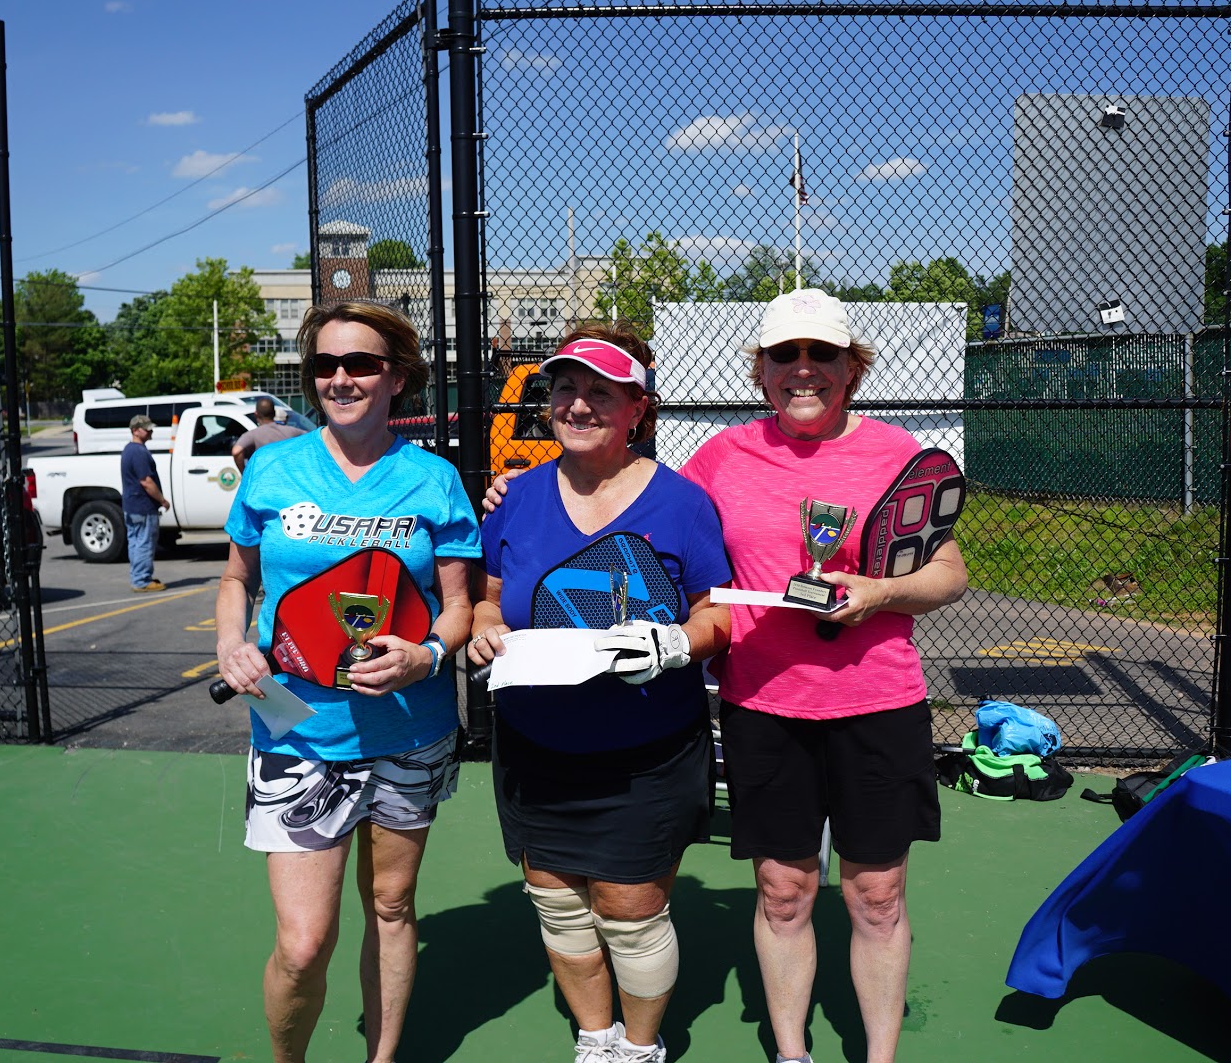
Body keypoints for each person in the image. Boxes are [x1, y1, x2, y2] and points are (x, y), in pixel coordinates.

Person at [485, 290, 968, 1063]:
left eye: (821, 355)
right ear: (762, 370)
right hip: (762, 704)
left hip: (878, 700)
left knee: (876, 897)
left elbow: (949, 573)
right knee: (783, 892)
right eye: (784, 355)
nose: (802, 370)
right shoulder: (720, 458)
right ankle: (790, 1052)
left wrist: (877, 593)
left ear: (852, 368)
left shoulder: (897, 454)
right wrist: (513, 491)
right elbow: (638, 510)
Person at [214, 300, 480, 1063]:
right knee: (303, 943)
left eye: (360, 363)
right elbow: (236, 579)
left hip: (409, 729)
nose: (340, 378)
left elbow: (459, 606)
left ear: (397, 377)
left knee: (392, 906)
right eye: (324, 365)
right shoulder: (272, 468)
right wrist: (233, 643)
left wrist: (427, 655)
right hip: (297, 729)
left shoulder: (432, 480)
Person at [467, 324, 732, 1063]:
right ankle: (595, 1038)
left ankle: (639, 1049)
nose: (578, 405)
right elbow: (488, 596)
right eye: (565, 389)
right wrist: (486, 627)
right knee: (557, 905)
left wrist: (678, 641)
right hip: (536, 744)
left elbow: (718, 612)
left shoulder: (682, 503)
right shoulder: (514, 497)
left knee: (630, 911)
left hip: (644, 750)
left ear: (637, 410)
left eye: (600, 393)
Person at [120, 413, 170, 592]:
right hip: (143, 506)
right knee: (144, 542)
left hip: (132, 505)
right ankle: (142, 580)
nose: (150, 431)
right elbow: (146, 481)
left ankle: (138, 576)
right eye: (146, 428)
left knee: (135, 542)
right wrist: (162, 500)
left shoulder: (129, 449)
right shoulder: (139, 452)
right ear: (135, 430)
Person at [232, 395, 306, 470]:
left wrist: (244, 473)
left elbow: (236, 451)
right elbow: (313, 438)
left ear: (256, 414)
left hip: (263, 479)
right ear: (274, 413)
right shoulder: (292, 431)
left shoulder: (252, 435)